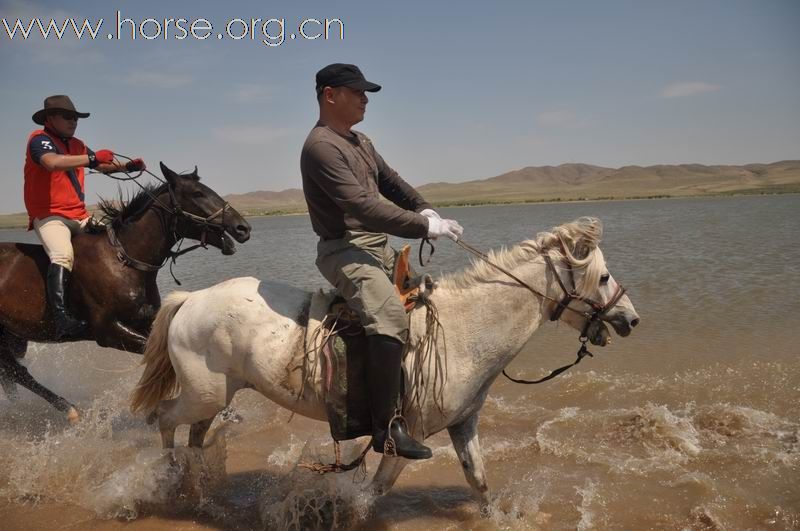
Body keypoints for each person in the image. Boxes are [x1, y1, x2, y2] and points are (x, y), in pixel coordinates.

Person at [300, 64, 463, 460]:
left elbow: (391, 182)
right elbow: (364, 207)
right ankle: (385, 429)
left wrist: (426, 209)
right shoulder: (321, 146)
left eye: (366, 92)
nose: (365, 98)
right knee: (389, 316)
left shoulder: (361, 142)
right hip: (344, 249)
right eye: (357, 92)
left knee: (432, 297)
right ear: (330, 95)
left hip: (378, 245)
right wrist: (424, 228)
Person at [24, 95, 146, 339]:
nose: (74, 121)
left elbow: (100, 165)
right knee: (63, 255)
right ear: (50, 119)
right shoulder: (39, 140)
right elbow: (52, 163)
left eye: (76, 118)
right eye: (68, 117)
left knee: (116, 242)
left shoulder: (78, 144)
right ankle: (61, 319)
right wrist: (92, 158)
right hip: (50, 216)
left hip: (79, 215)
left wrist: (127, 167)